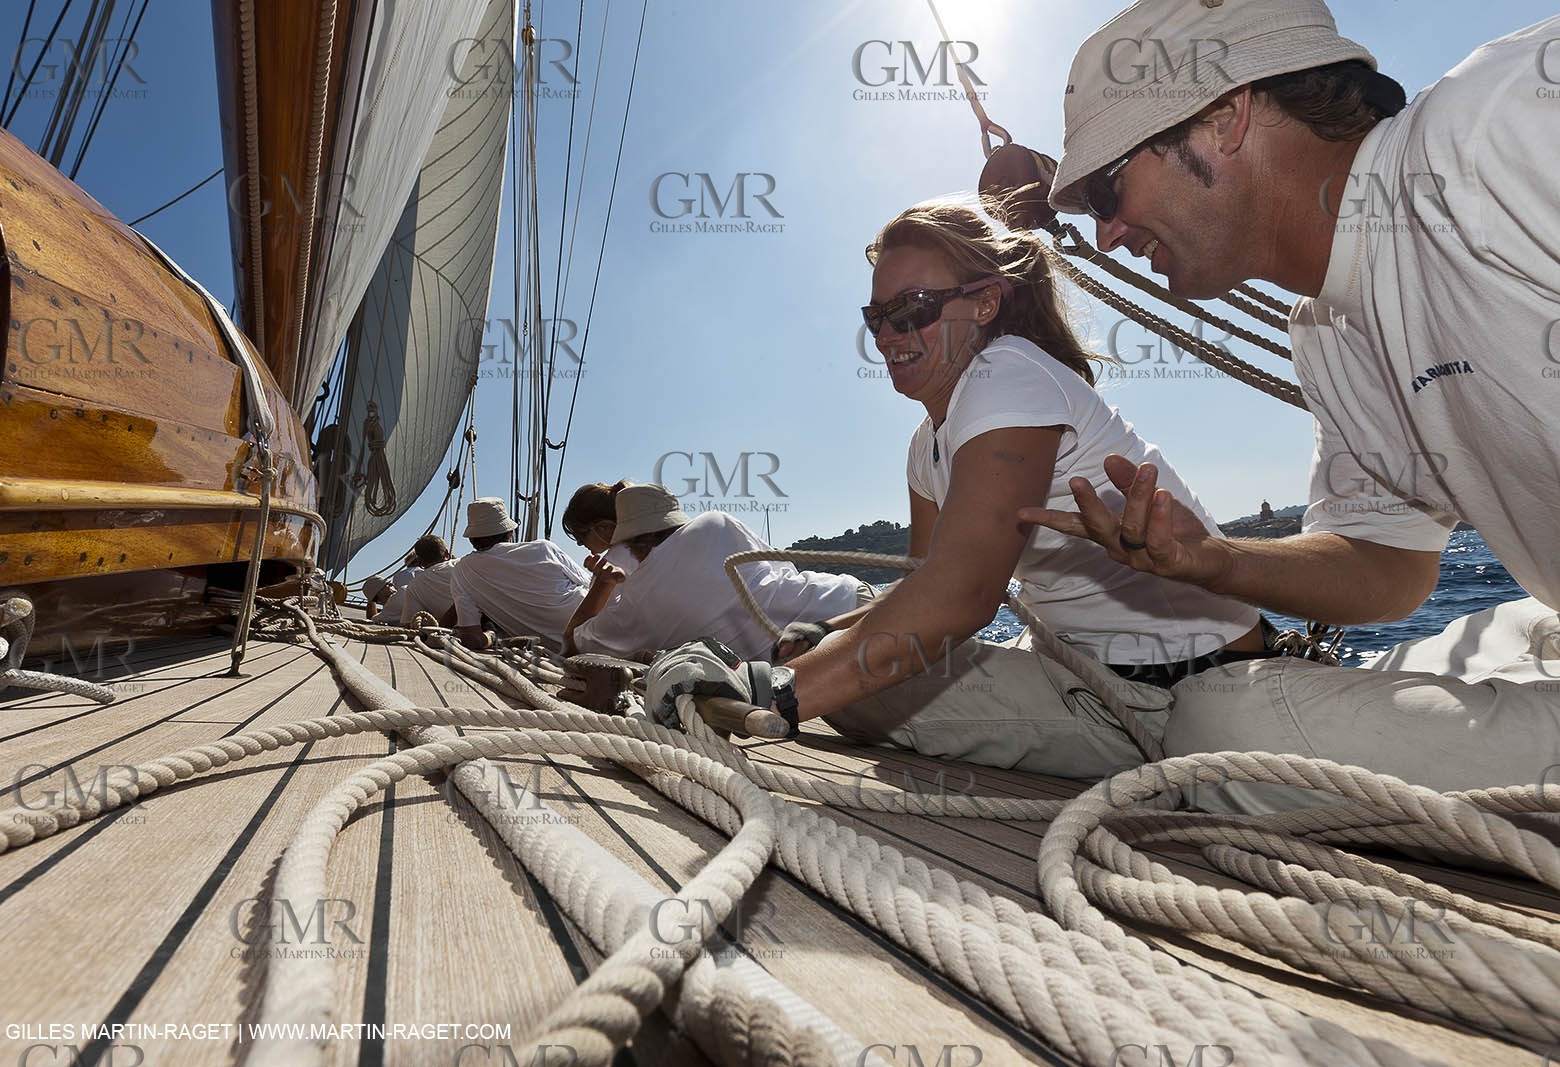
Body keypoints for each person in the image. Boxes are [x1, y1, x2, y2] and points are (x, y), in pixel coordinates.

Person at [1012, 0, 1560, 799]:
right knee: (1223, 718)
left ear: (1223, 119)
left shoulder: (1495, 124)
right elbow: (1392, 565)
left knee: (1227, 740)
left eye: (1105, 192)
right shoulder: (1327, 334)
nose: (1108, 238)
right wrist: (1214, 561)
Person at [649, 201, 1272, 779]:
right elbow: (925, 580)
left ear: (983, 305)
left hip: (1200, 686)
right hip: (1091, 683)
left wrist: (772, 690)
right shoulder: (927, 445)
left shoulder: (1008, 374)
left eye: (912, 307)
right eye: (877, 316)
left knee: (847, 686)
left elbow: (966, 595)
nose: (889, 334)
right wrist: (829, 629)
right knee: (852, 679)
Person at [566, 484, 870, 661]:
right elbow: (781, 570)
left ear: (620, 537)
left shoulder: (637, 600)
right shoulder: (716, 522)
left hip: (820, 654)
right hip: (849, 597)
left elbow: (573, 645)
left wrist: (602, 585)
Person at [450, 498, 589, 652]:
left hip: (561, 649)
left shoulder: (461, 571)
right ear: (510, 533)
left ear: (471, 538)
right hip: (601, 627)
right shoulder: (544, 548)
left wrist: (492, 635)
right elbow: (592, 584)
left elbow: (472, 639)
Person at [561, 481, 639, 578]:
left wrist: (601, 579)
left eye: (581, 535)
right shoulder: (645, 547)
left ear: (603, 527)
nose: (579, 543)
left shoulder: (614, 562)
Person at [391, 534, 458, 627]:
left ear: (420, 561)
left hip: (453, 631)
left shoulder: (413, 587)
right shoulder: (464, 564)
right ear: (447, 554)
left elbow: (410, 623)